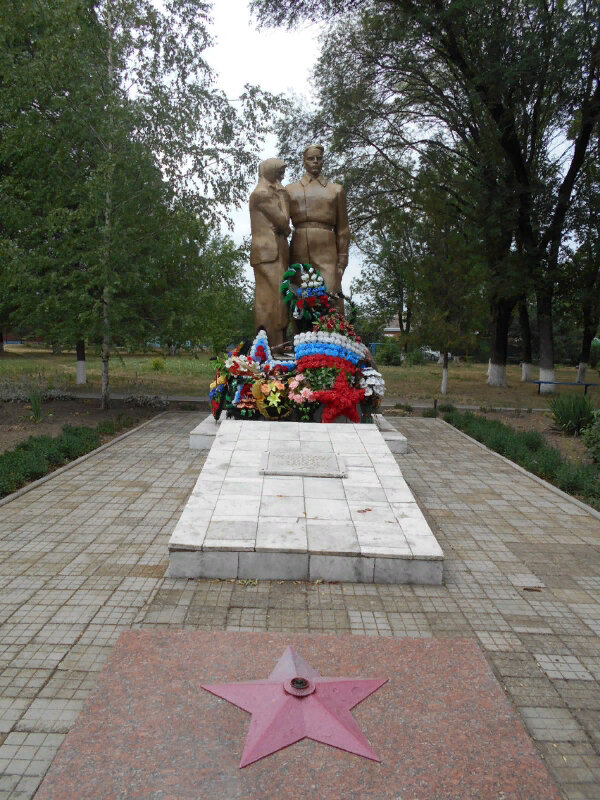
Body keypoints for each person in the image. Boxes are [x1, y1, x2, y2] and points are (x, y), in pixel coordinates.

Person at [285, 145, 349, 298]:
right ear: (304, 162)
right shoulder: (290, 190)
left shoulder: (336, 190)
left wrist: (342, 260)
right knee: (300, 296)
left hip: (327, 247)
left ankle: (331, 314)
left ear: (323, 161)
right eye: (311, 158)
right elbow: (281, 223)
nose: (315, 161)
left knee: (331, 293)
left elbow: (343, 229)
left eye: (318, 158)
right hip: (299, 245)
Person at [249, 158, 291, 347]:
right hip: (268, 253)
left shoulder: (266, 193)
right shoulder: (262, 194)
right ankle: (271, 343)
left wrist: (284, 228)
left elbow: (283, 225)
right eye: (279, 173)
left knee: (274, 297)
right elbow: (284, 222)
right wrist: (283, 196)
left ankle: (274, 342)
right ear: (270, 171)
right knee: (275, 296)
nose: (282, 178)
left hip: (273, 252)